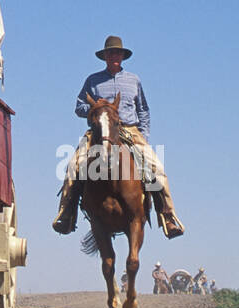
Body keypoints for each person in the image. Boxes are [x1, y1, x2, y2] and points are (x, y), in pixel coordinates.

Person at [53, 35, 184, 239]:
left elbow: (144, 111)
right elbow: (79, 107)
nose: (114, 56)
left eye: (117, 53)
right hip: (99, 131)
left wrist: (143, 135)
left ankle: (167, 216)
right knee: (72, 166)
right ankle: (67, 214)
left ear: (122, 56)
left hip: (129, 130)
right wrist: (95, 107)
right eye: (110, 53)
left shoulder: (134, 80)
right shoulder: (92, 80)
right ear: (104, 56)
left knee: (157, 168)